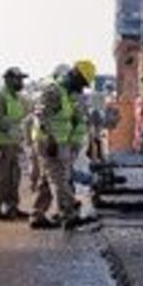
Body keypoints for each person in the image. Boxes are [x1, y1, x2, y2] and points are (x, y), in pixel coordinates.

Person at [29, 60, 95, 230]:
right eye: (82, 82)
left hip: (59, 142)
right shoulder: (53, 90)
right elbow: (41, 116)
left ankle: (37, 215)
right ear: (74, 74)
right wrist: (50, 139)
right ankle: (69, 215)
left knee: (48, 179)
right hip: (48, 142)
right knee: (59, 179)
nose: (82, 87)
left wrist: (72, 144)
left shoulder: (67, 94)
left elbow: (71, 121)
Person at [0, 67, 30, 220]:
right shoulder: (0, 97)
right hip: (0, 143)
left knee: (14, 177)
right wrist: (12, 130)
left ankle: (12, 207)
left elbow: (17, 119)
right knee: (2, 178)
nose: (21, 82)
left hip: (12, 143)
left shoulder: (15, 98)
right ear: (9, 80)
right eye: (19, 79)